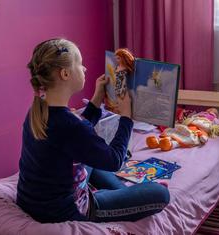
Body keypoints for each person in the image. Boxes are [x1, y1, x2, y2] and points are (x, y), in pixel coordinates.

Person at [16, 38, 169, 223]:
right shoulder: (70, 125)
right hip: (66, 210)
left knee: (93, 157)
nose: (85, 69)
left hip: (32, 201)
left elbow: (76, 137)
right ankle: (121, 195)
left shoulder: (37, 111)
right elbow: (115, 160)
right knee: (161, 194)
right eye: (80, 64)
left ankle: (122, 194)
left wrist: (96, 99)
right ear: (65, 73)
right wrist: (127, 117)